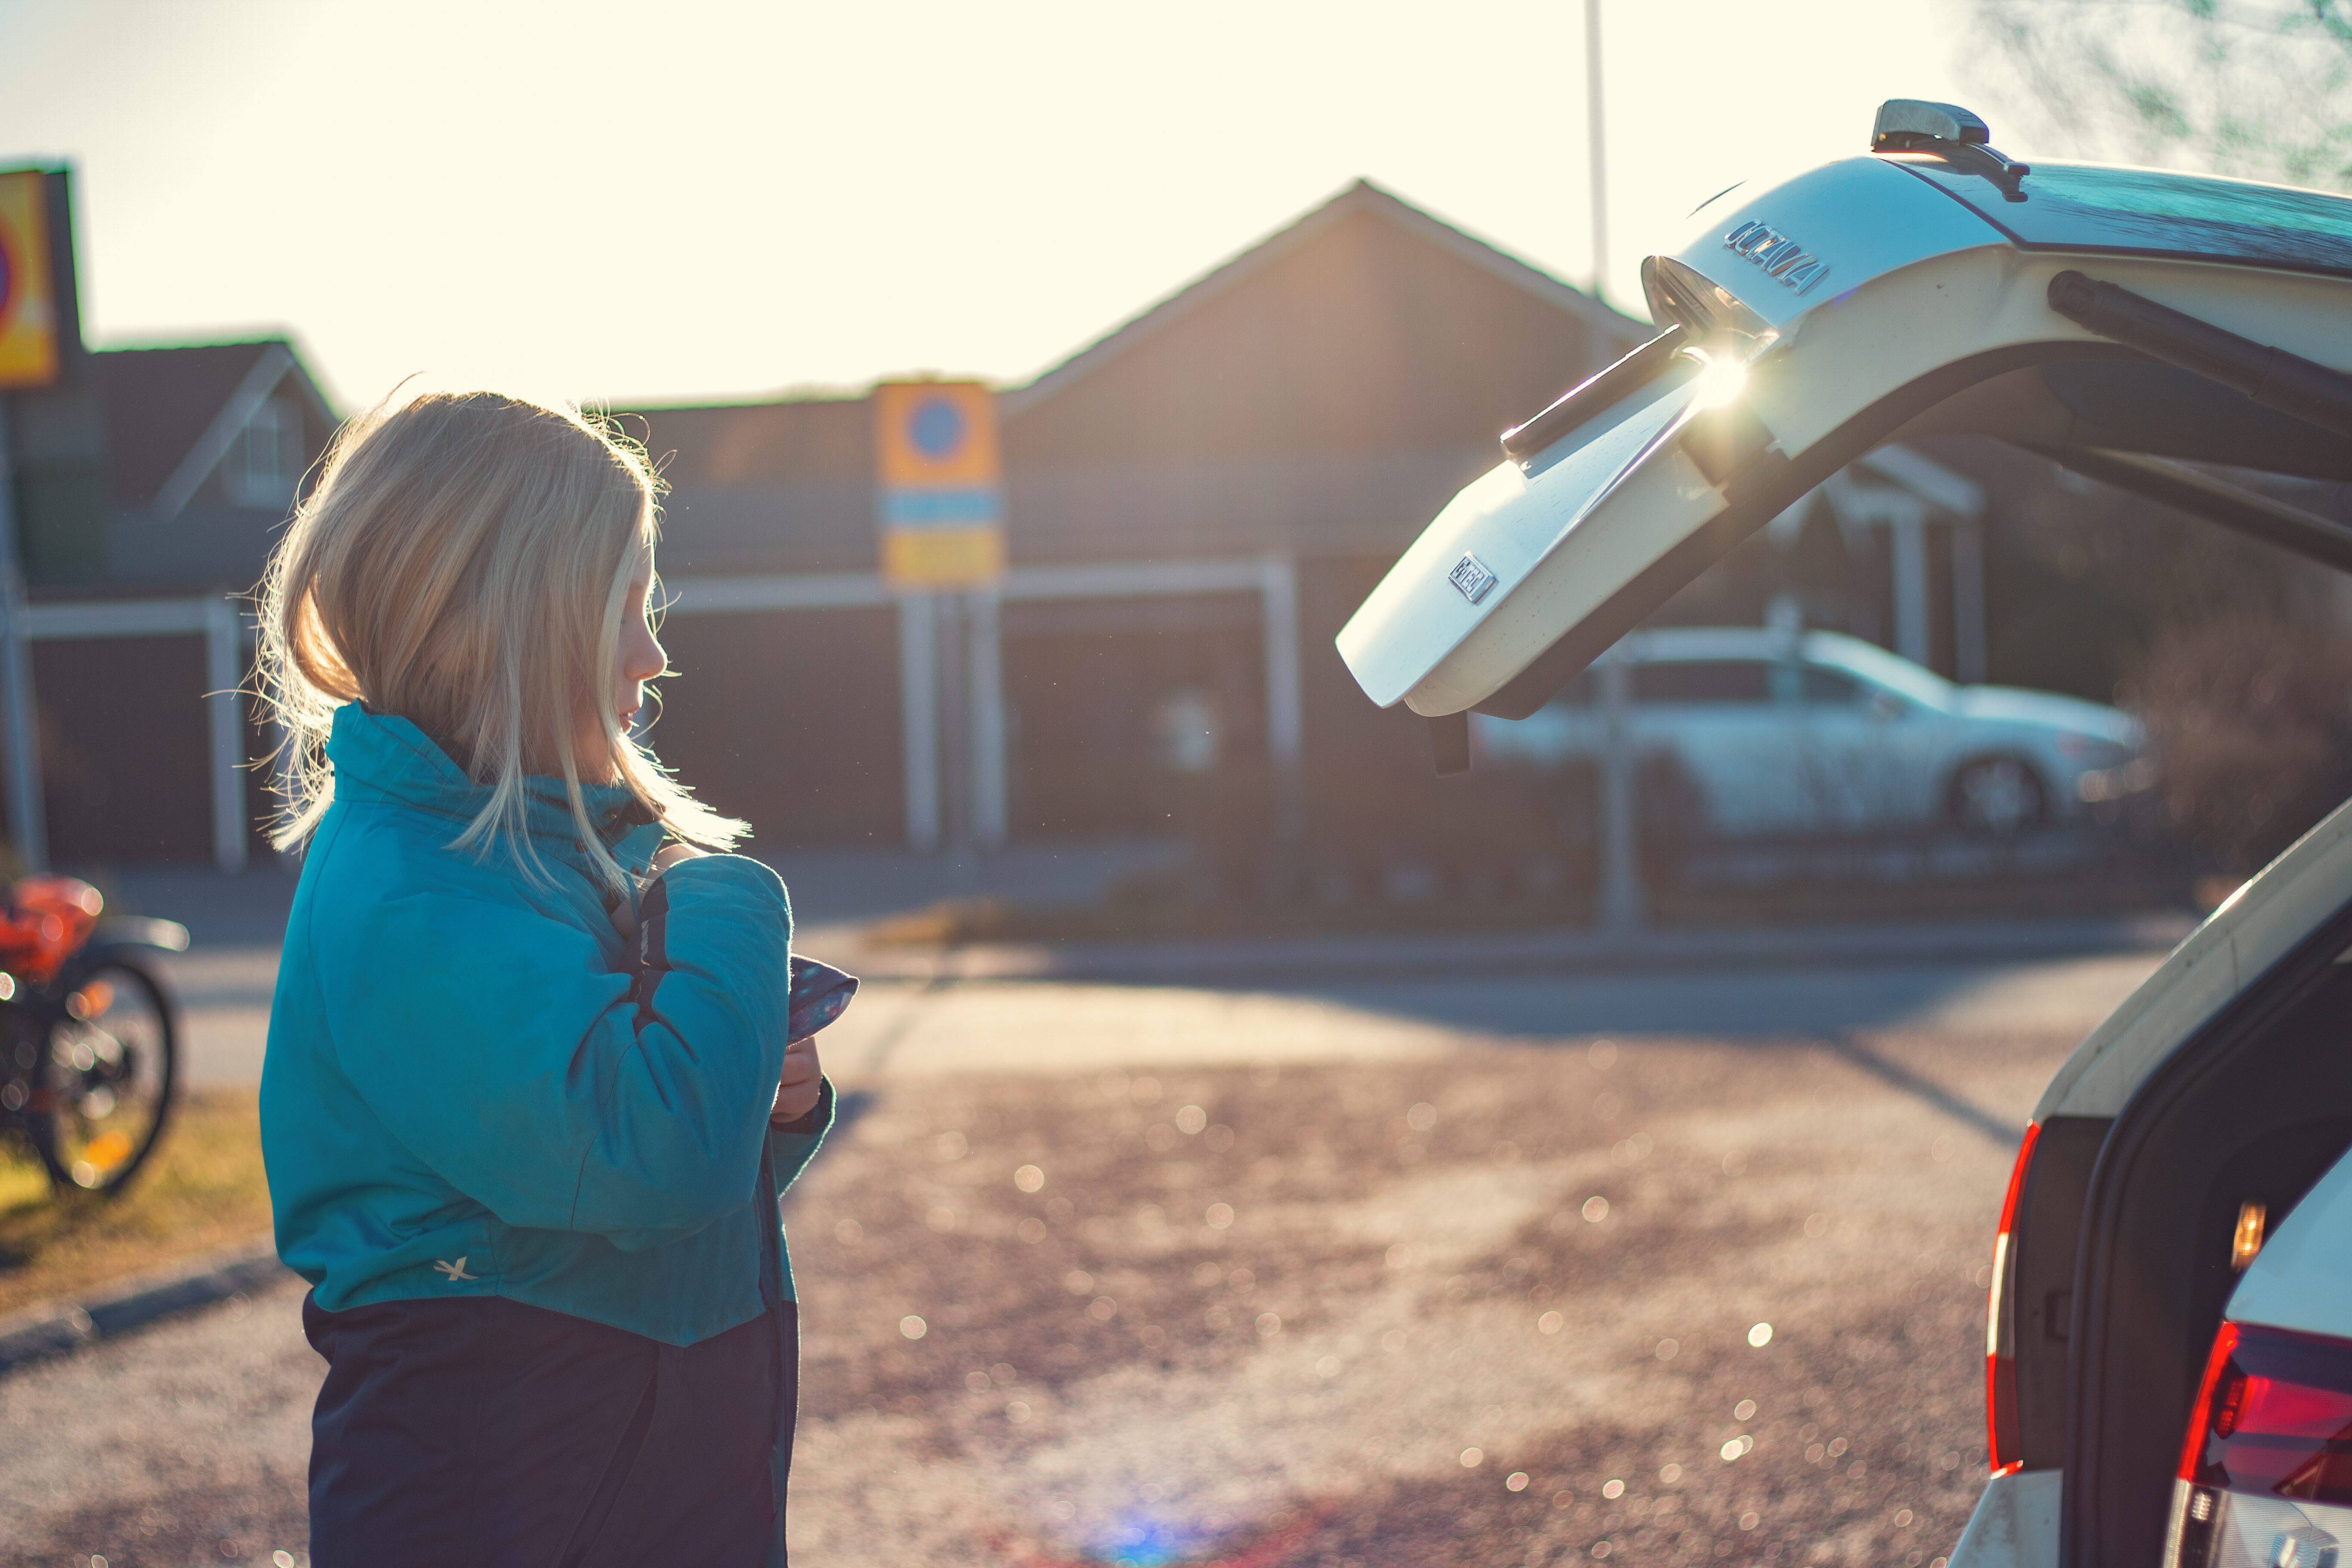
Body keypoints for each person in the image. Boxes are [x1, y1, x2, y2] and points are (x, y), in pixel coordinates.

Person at [256, 389, 848, 1568]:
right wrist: (729, 893)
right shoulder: (410, 892)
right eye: (623, 605)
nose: (655, 652)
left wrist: (766, 1101)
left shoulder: (537, 850)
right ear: (510, 619)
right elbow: (651, 1158)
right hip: (504, 1497)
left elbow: (622, 1148)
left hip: (635, 1475)